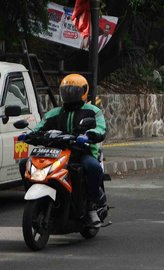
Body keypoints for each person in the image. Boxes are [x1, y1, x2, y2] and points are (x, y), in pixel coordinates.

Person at [18, 74, 107, 227]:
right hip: (56, 153)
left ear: (84, 91)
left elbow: (100, 128)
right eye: (67, 91)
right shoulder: (54, 113)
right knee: (25, 163)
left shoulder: (92, 111)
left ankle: (92, 206)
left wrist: (90, 135)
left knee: (92, 167)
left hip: (82, 153)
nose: (70, 94)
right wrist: (28, 135)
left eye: (74, 91)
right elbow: (40, 128)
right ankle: (36, 199)